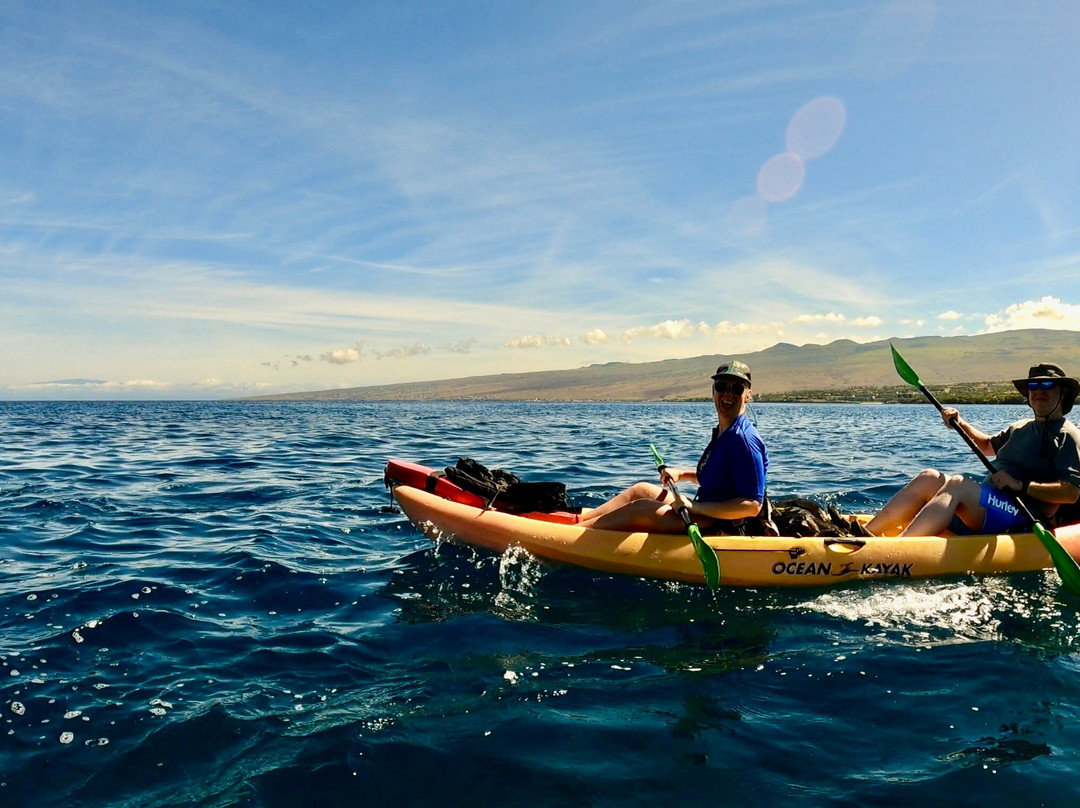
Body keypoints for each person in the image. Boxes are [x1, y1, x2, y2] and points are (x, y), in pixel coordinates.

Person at [865, 362, 1080, 537]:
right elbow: (987, 446)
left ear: (1062, 393)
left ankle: (897, 549)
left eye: (1047, 385)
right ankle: (865, 534)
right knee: (929, 477)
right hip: (988, 505)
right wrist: (961, 423)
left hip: (1023, 517)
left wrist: (1019, 485)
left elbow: (1071, 493)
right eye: (1033, 387)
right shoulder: (1020, 427)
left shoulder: (1068, 435)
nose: (1039, 392)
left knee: (958, 484)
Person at [578, 361, 769, 534]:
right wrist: (682, 474)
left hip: (724, 524)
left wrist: (695, 507)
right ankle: (577, 521)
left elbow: (752, 505)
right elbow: (722, 477)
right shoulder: (724, 431)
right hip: (705, 512)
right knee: (641, 490)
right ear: (713, 390)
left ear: (747, 396)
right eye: (721, 386)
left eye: (737, 388)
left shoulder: (744, 439)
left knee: (642, 508)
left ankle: (576, 535)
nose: (728, 393)